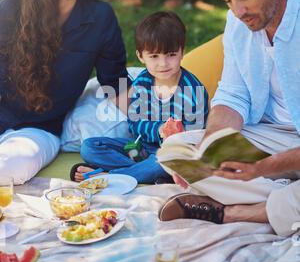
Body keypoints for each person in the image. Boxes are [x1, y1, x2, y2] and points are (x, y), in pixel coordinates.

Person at [159, 0, 300, 236]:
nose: (237, 10)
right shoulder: (238, 24)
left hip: (284, 153)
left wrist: (262, 170)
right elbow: (233, 94)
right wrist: (212, 145)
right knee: (177, 149)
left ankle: (237, 211)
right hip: (272, 137)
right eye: (228, 1)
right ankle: (286, 199)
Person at [0, 0, 130, 184]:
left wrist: (162, 123)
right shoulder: (10, 10)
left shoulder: (100, 17)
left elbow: (116, 86)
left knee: (9, 167)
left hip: (37, 131)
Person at [73, 11, 208, 184]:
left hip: (174, 154)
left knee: (162, 163)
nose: (163, 63)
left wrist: (175, 136)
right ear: (140, 56)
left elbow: (195, 138)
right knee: (90, 147)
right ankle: (142, 173)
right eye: (154, 56)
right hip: (141, 148)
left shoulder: (192, 90)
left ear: (182, 52)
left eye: (171, 55)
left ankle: (111, 177)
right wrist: (159, 129)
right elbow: (135, 124)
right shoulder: (142, 82)